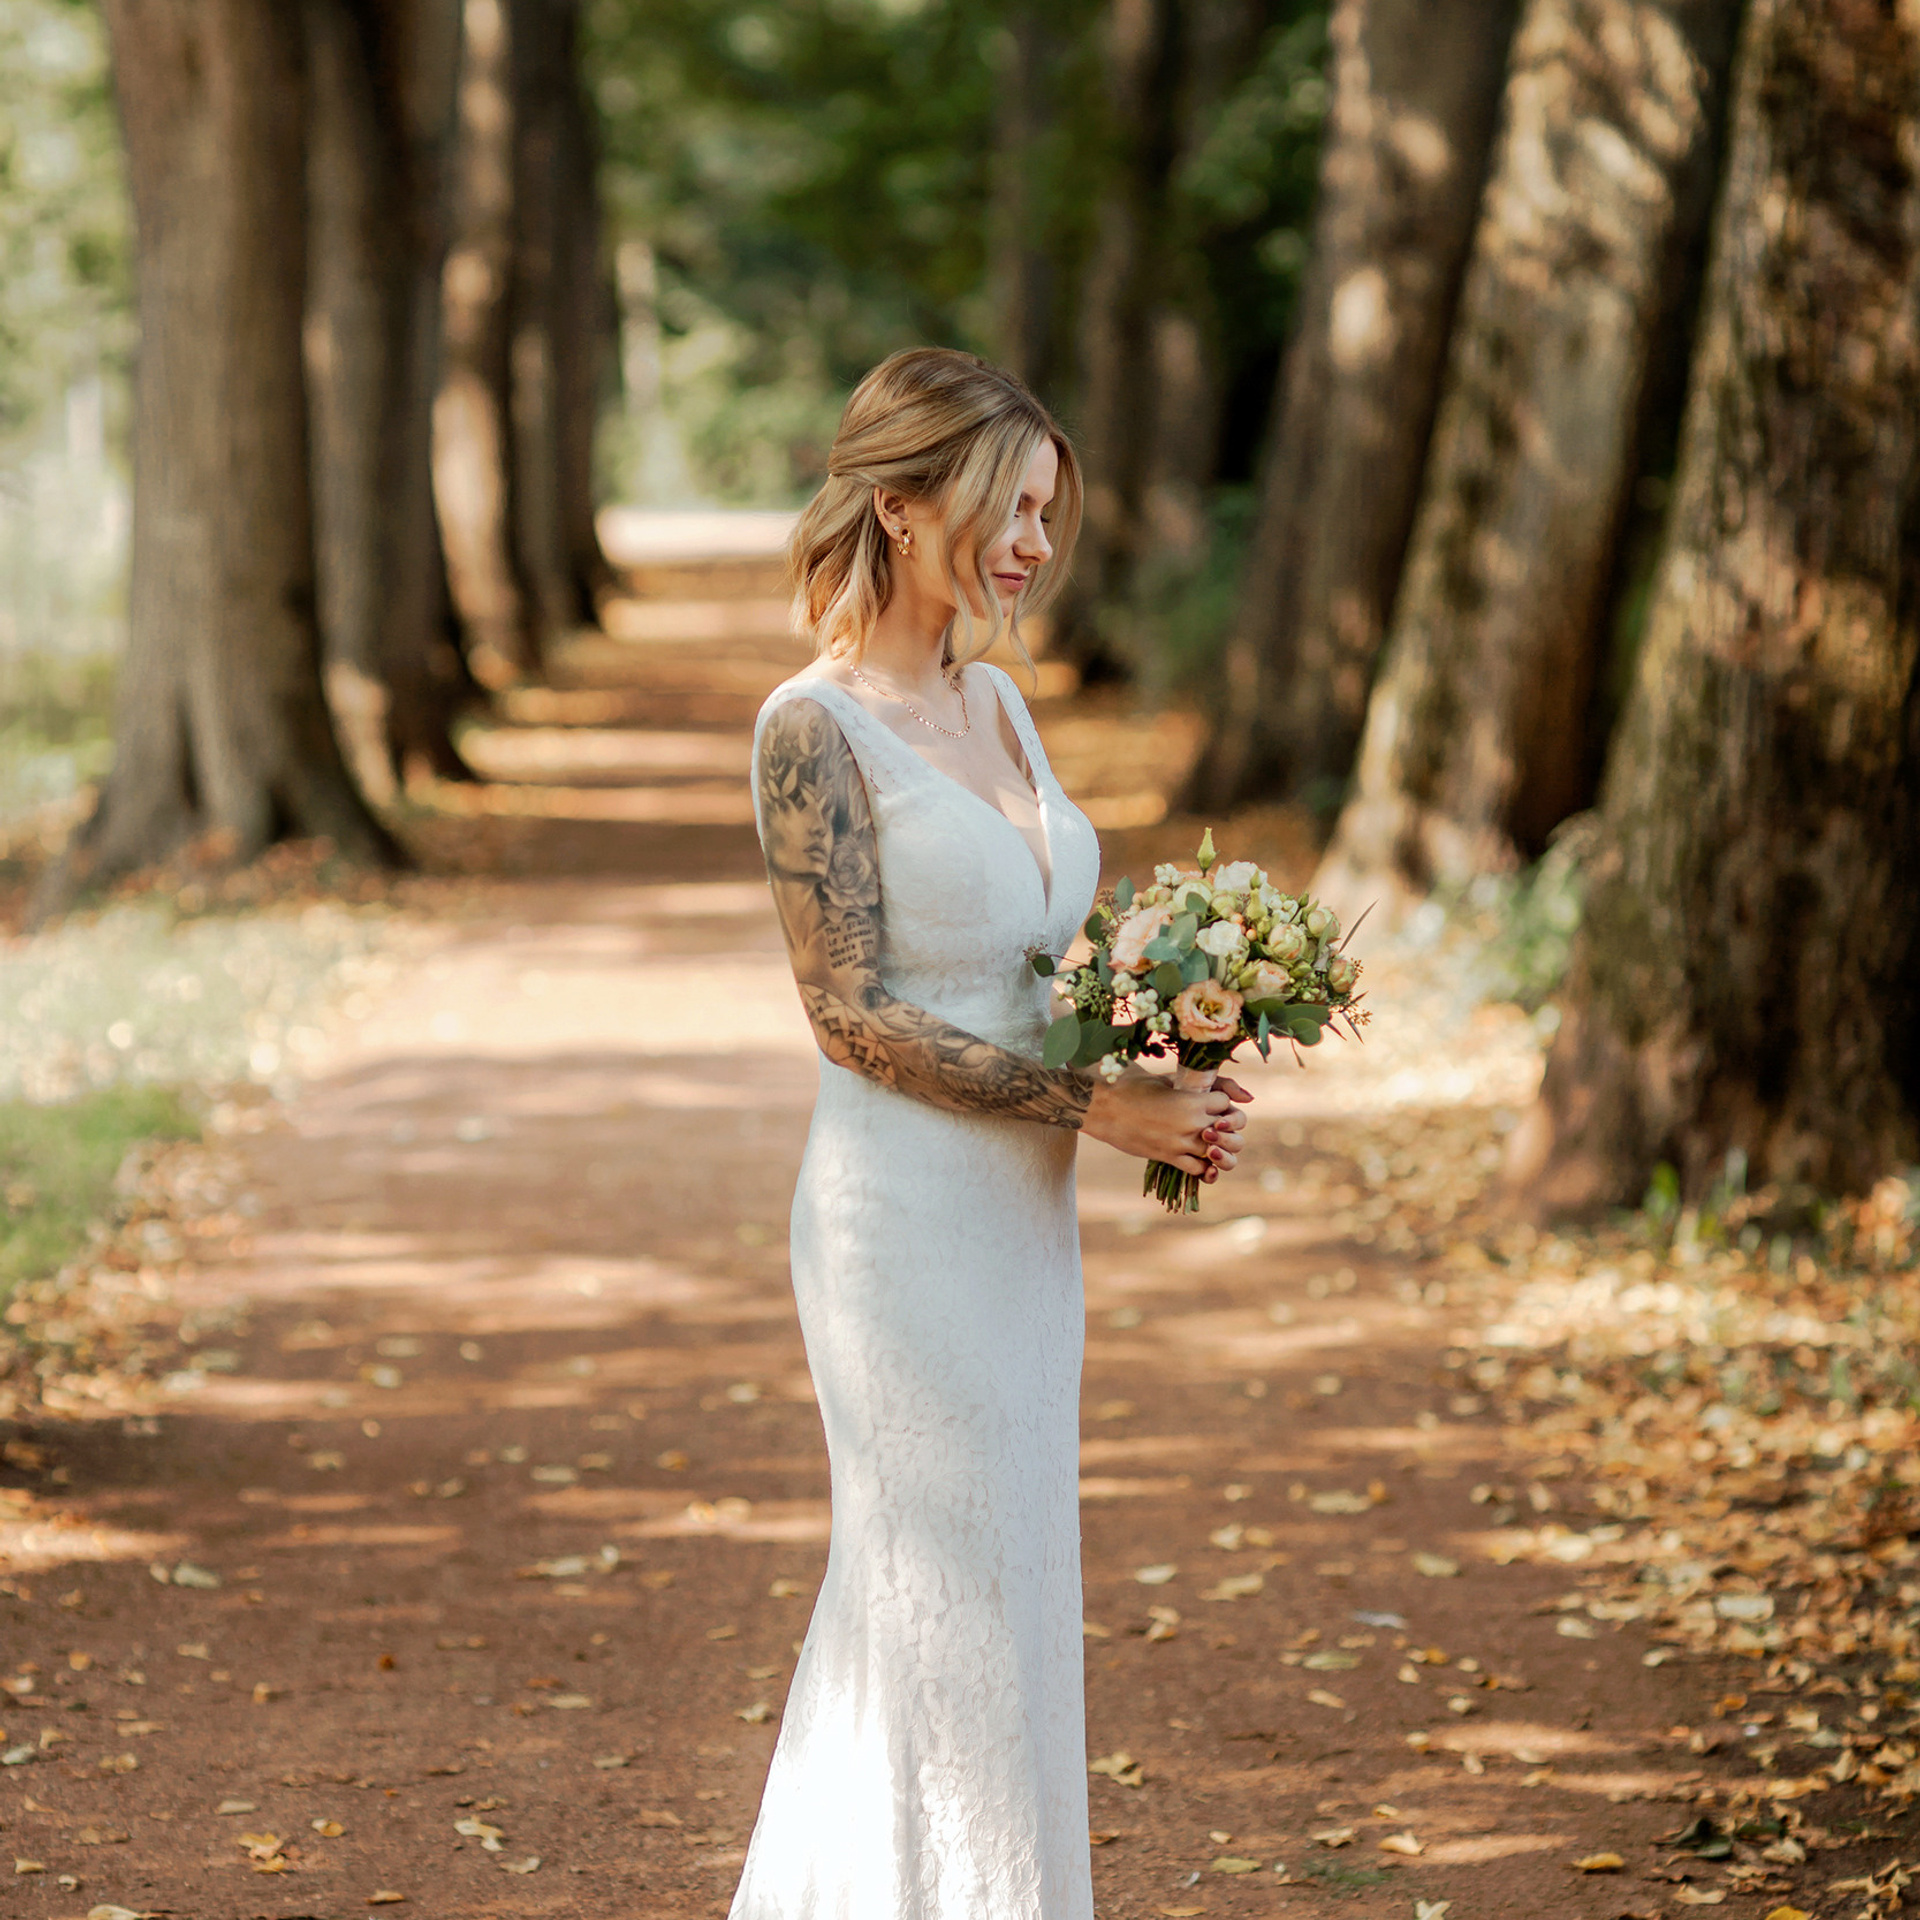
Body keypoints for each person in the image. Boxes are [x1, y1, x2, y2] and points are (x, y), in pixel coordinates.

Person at [732, 347, 1251, 1920]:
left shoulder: (1005, 706)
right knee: (927, 1588)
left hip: (1023, 1230)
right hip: (900, 1229)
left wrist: (1174, 1022)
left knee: (1010, 1589)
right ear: (901, 507)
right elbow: (855, 1019)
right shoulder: (809, 729)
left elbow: (1037, 965)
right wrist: (1106, 1106)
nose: (1033, 543)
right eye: (1003, 508)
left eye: (1043, 510)